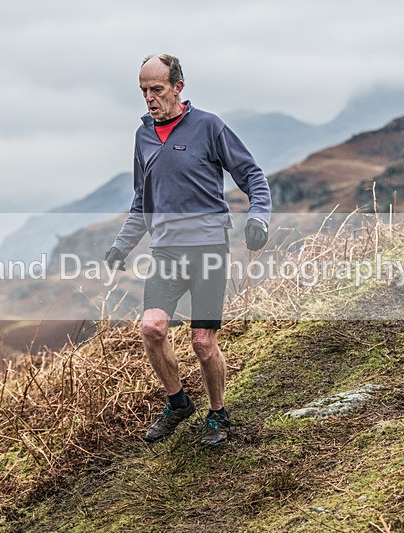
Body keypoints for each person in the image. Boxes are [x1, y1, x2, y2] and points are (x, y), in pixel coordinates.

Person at [105, 53, 271, 447]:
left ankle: (218, 413)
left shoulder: (209, 126)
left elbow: (252, 175)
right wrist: (121, 246)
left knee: (202, 342)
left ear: (178, 87)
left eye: (157, 89)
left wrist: (259, 217)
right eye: (143, 91)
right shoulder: (143, 136)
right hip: (165, 251)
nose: (149, 98)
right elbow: (142, 201)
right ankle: (178, 403)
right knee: (151, 328)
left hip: (208, 248)